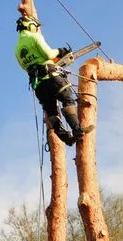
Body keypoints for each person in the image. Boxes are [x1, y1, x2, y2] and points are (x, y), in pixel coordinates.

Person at [15, 14, 86, 146]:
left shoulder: (17, 48)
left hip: (39, 85)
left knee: (52, 110)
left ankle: (65, 137)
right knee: (67, 99)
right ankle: (77, 131)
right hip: (52, 78)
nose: (36, 28)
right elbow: (48, 54)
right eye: (35, 26)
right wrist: (60, 51)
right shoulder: (35, 37)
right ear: (30, 25)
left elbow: (25, 67)